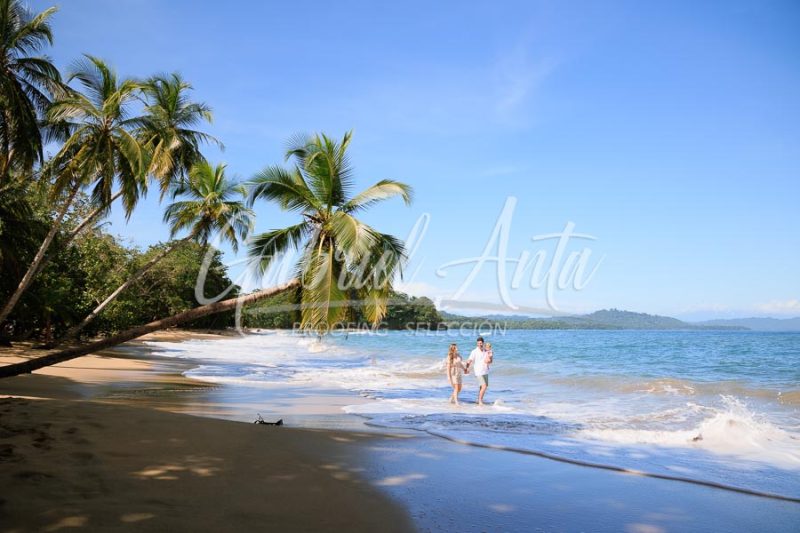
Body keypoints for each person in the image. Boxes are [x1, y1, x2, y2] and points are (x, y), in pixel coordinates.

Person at [465, 336, 492, 405]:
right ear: (477, 344)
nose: (480, 344)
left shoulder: (485, 351)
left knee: (481, 386)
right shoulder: (474, 351)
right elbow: (469, 360)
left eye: (481, 343)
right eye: (478, 343)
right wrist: (466, 367)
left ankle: (478, 400)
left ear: (483, 343)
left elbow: (489, 361)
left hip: (485, 370)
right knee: (484, 386)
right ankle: (480, 401)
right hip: (478, 371)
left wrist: (490, 356)